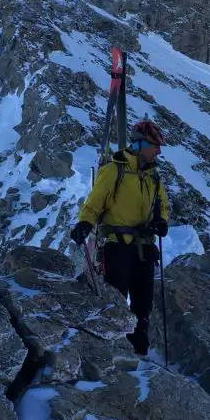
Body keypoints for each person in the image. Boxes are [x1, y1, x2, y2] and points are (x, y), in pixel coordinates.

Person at [70, 120, 169, 355]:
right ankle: (113, 351)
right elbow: (95, 201)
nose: (159, 151)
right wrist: (85, 222)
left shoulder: (153, 177)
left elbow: (162, 204)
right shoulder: (115, 170)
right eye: (156, 146)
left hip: (144, 246)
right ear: (141, 144)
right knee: (116, 298)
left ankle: (138, 354)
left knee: (143, 303)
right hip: (117, 246)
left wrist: (162, 220)